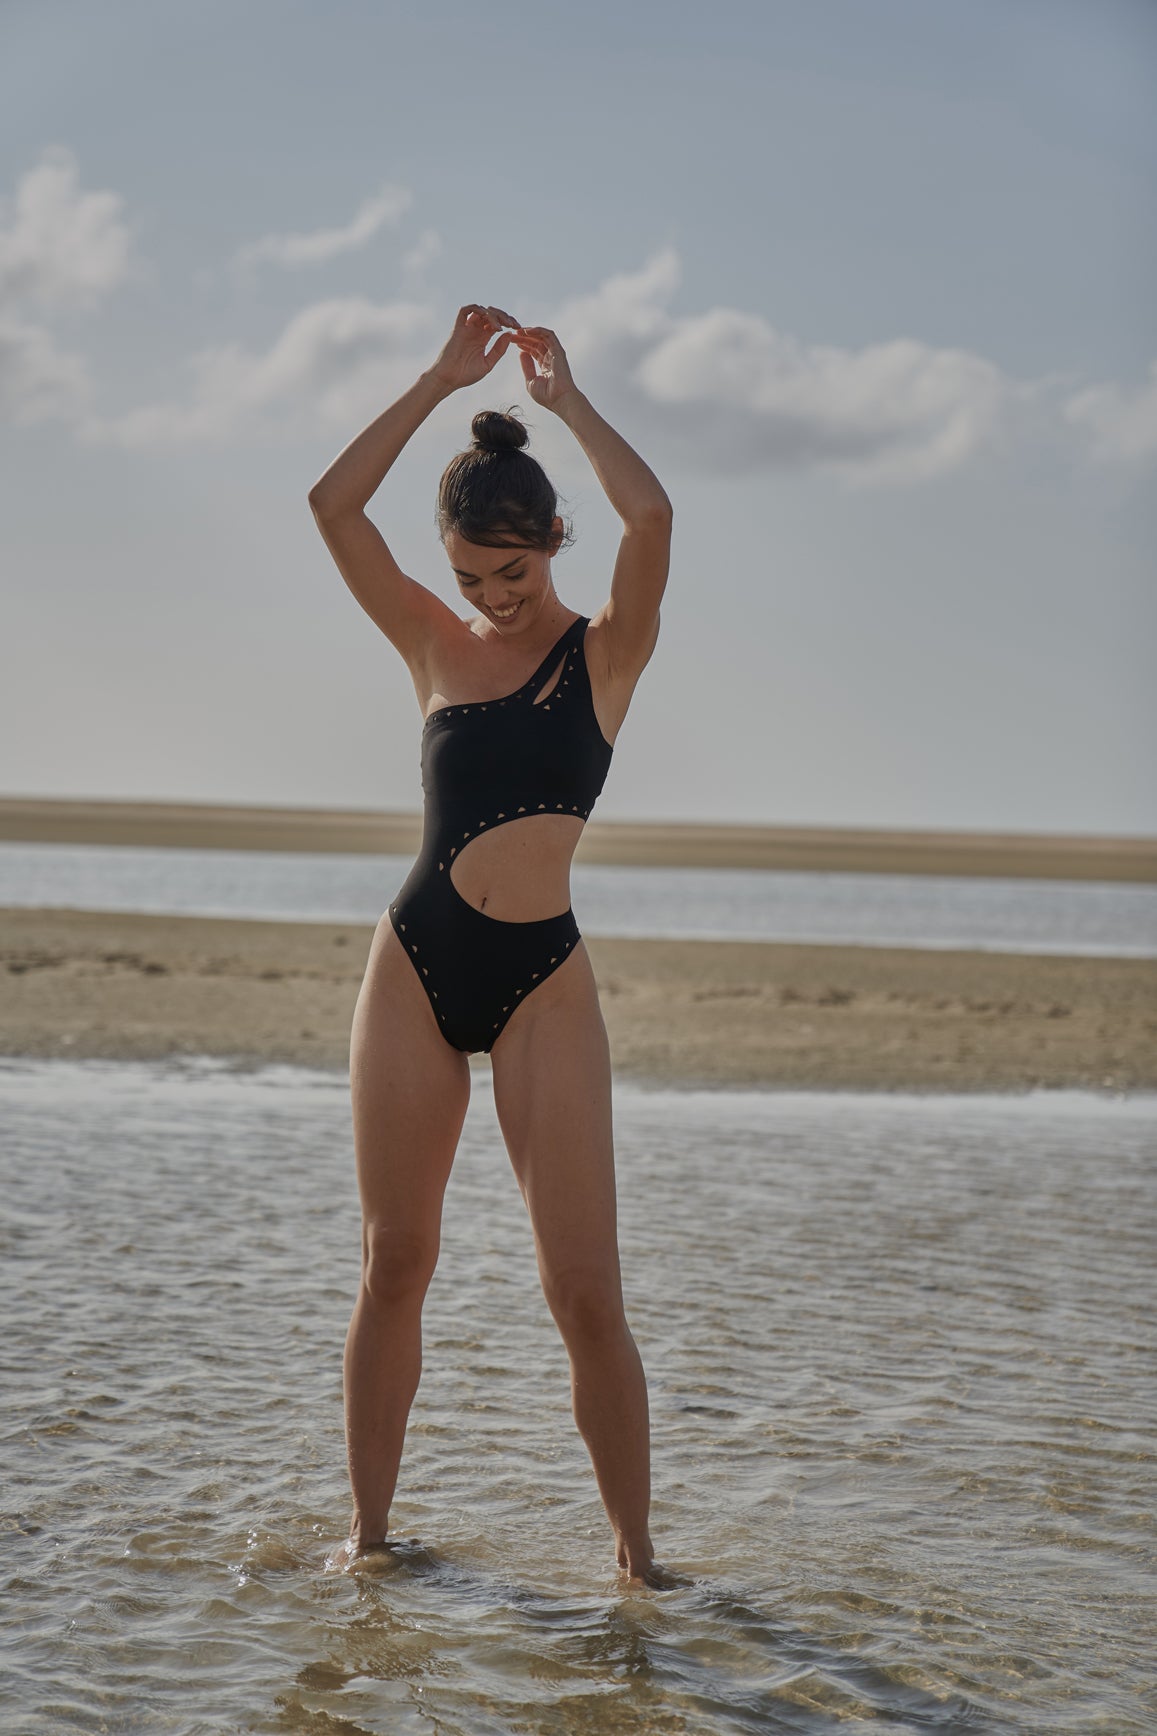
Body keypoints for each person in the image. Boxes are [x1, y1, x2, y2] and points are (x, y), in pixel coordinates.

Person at [308, 304, 674, 1587]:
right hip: (413, 964)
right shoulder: (430, 639)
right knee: (394, 1260)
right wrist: (432, 380)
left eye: (509, 573)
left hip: (541, 985)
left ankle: (636, 1564)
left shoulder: (605, 654)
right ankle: (367, 1542)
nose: (491, 598)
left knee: (583, 1290)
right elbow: (332, 508)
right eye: (469, 578)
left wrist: (567, 403)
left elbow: (653, 516)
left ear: (551, 540)